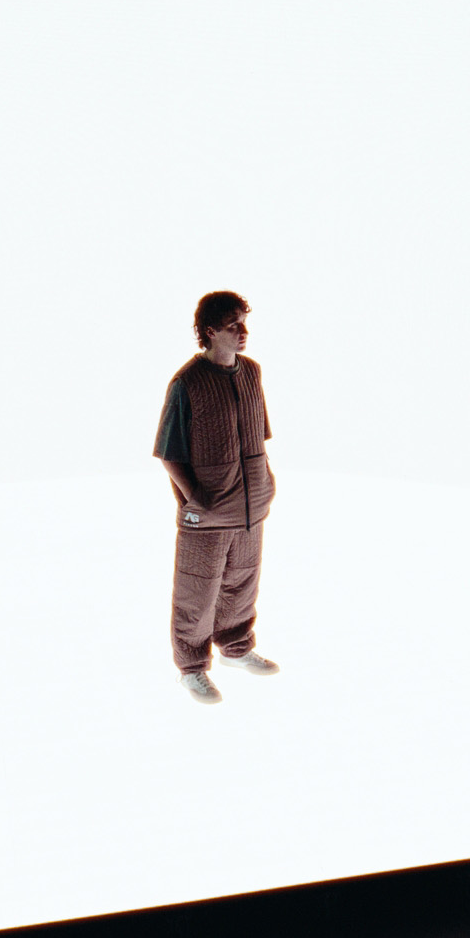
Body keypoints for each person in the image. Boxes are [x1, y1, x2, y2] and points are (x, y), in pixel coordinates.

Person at [153, 292, 281, 704]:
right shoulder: (187, 383)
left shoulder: (251, 373)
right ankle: (191, 668)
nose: (243, 332)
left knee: (243, 581)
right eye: (232, 326)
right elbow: (169, 453)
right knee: (198, 591)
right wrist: (196, 499)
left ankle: (236, 648)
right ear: (209, 332)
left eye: (244, 323)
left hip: (251, 507)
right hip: (208, 514)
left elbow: (259, 435)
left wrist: (266, 482)